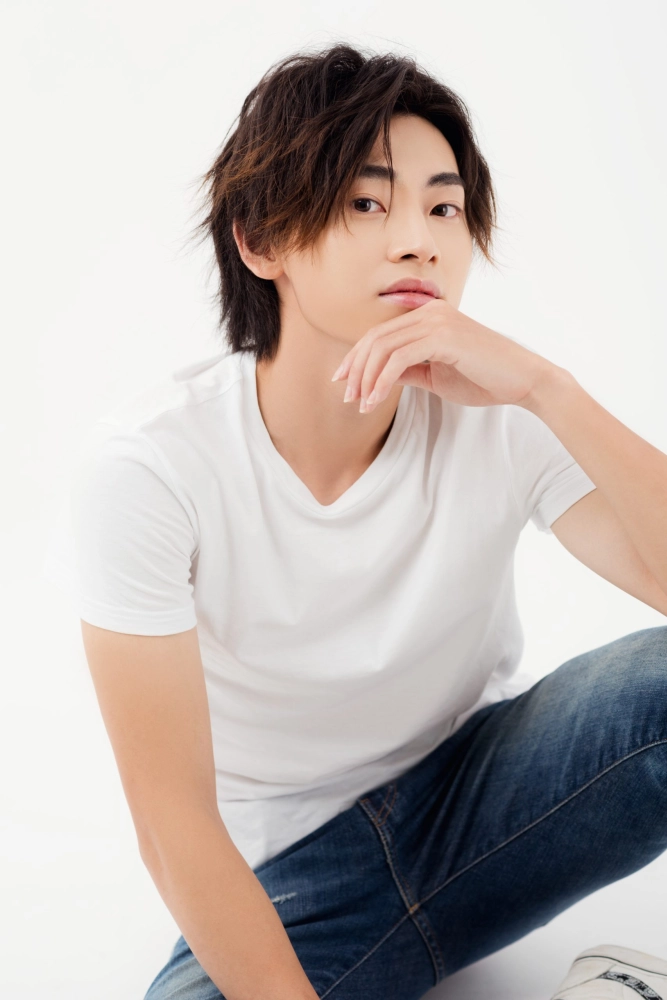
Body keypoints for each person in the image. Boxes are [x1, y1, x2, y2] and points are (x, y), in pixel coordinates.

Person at [43, 43, 667, 1000]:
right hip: (294, 878)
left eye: (442, 207)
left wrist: (550, 389)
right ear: (260, 241)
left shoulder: (500, 411)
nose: (417, 240)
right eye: (366, 203)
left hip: (492, 805)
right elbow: (172, 823)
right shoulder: (150, 469)